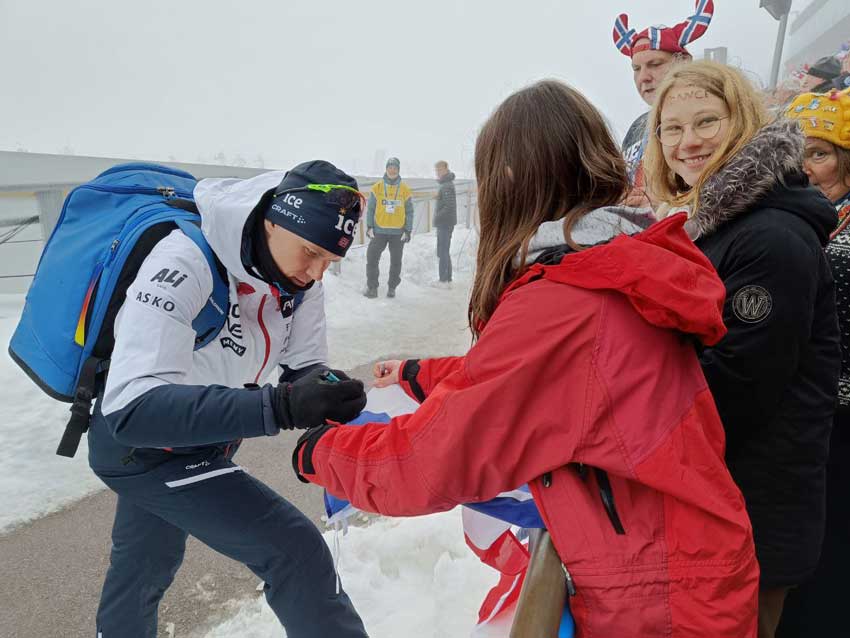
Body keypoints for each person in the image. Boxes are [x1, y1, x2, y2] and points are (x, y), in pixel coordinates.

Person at [292, 80, 759, 637]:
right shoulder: (610, 262)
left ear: (511, 181)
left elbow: (433, 462)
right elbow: (543, 380)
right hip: (674, 569)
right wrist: (421, 375)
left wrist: (320, 452)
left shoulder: (564, 299)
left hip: (657, 598)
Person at [88, 161, 370, 638]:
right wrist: (280, 406)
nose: (318, 273)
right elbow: (130, 410)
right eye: (311, 252)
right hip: (142, 448)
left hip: (208, 439)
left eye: (330, 261)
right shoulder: (182, 261)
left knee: (144, 568)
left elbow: (303, 365)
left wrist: (327, 390)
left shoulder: (300, 280)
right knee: (294, 551)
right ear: (273, 221)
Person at [644, 61, 841, 638]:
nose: (689, 142)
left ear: (744, 121)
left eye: (707, 121)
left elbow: (737, 385)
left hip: (755, 509)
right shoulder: (720, 223)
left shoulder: (770, 236)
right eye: (672, 129)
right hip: (726, 500)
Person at [777, 87, 850, 638]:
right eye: (796, 152)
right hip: (812, 424)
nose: (805, 166)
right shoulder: (809, 223)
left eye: (820, 154)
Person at [612, 0, 714, 207]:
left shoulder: (710, 118)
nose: (644, 77)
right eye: (636, 69)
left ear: (684, 62)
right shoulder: (636, 128)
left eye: (655, 64)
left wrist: (660, 204)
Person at [364, 157, 414, 298]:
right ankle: (372, 288)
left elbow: (410, 211)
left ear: (398, 170)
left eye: (395, 168)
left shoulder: (405, 189)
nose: (392, 170)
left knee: (396, 262)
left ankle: (392, 287)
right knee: (372, 258)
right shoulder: (377, 187)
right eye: (390, 167)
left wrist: (408, 230)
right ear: (386, 169)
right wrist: (369, 227)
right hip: (379, 231)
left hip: (398, 233)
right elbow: (371, 209)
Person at [432, 160, 457, 288]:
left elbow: (449, 206)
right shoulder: (446, 184)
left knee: (442, 251)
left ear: (446, 169)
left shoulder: (446, 185)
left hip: (445, 223)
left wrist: (437, 216)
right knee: (444, 251)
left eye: (440, 169)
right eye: (437, 170)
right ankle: (448, 278)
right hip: (446, 222)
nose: (438, 172)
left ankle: (443, 280)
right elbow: (446, 202)